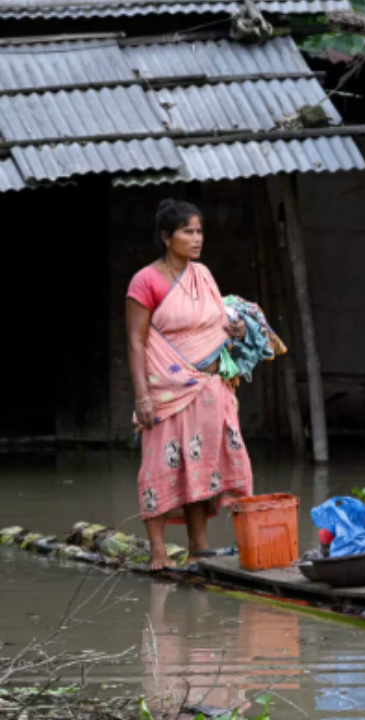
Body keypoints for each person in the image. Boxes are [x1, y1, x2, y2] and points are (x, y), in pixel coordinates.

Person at [126, 199, 252, 570]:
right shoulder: (145, 281)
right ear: (167, 237)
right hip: (165, 391)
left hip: (209, 387)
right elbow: (135, 341)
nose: (196, 238)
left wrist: (238, 329)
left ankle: (199, 546)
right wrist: (142, 397)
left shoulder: (203, 274)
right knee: (159, 466)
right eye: (188, 231)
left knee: (197, 465)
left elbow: (217, 321)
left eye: (199, 231)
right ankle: (158, 551)